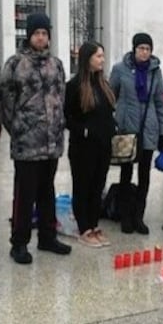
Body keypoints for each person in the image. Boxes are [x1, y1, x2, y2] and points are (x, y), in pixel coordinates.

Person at [0, 12, 71, 264]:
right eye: (36, 33)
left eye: (44, 33)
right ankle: (19, 243)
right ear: (29, 36)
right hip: (27, 142)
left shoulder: (57, 64)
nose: (41, 38)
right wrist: (17, 127)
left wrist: (59, 125)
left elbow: (61, 97)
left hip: (51, 143)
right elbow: (5, 101)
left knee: (47, 191)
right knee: (24, 194)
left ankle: (48, 237)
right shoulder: (15, 64)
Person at [109, 32, 163, 234]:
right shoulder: (119, 70)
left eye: (148, 49)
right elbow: (110, 98)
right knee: (126, 174)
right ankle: (125, 216)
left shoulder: (155, 71)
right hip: (127, 129)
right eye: (141, 48)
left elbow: (160, 103)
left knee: (144, 176)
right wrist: (113, 124)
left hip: (148, 129)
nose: (144, 52)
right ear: (134, 49)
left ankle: (138, 217)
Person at [64, 41, 117, 247]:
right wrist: (84, 130)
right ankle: (83, 227)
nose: (102, 60)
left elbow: (107, 112)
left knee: (98, 186)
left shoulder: (104, 84)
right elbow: (67, 116)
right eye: (98, 56)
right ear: (87, 59)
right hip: (82, 148)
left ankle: (94, 225)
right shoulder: (74, 86)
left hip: (103, 146)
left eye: (103, 56)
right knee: (83, 187)